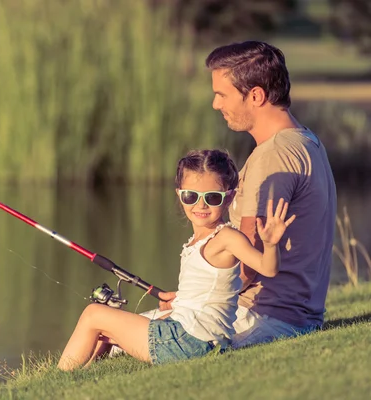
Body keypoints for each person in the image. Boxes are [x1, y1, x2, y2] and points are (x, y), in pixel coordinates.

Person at [159, 41, 337, 349]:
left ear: (255, 95)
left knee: (123, 335)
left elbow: (249, 262)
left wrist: (196, 300)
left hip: (265, 315)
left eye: (222, 94)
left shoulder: (273, 156)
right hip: (295, 315)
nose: (216, 104)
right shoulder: (306, 141)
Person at [57, 149, 295, 370]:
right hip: (194, 338)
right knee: (108, 329)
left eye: (212, 197)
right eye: (191, 196)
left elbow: (268, 268)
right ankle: (81, 374)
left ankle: (60, 376)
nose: (200, 204)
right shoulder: (199, 240)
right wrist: (177, 302)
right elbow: (204, 295)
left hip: (188, 341)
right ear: (180, 195)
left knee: (93, 314)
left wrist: (271, 244)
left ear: (229, 197)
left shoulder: (227, 237)